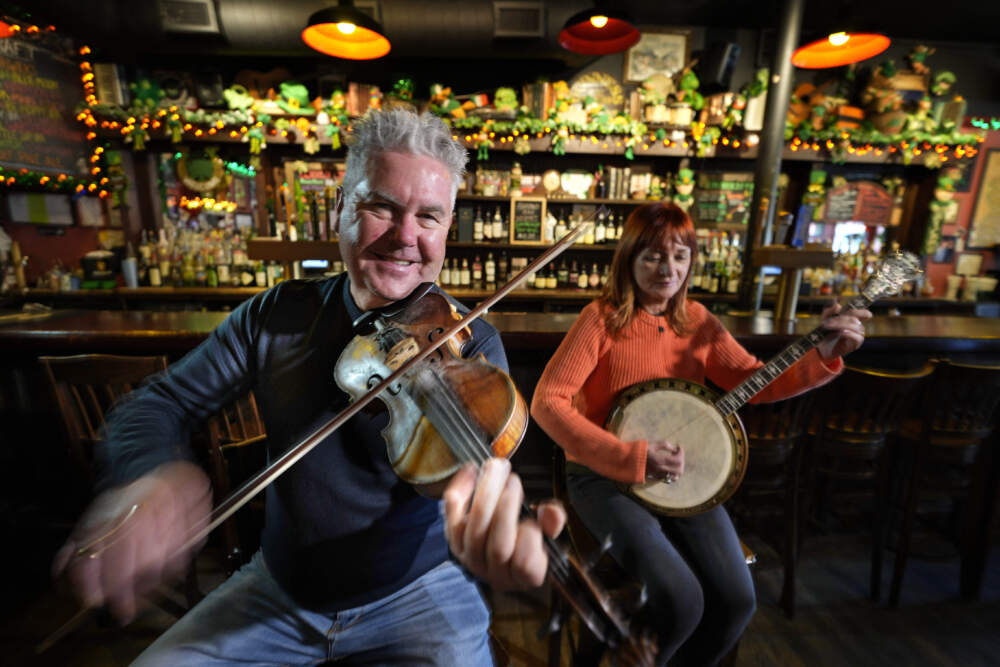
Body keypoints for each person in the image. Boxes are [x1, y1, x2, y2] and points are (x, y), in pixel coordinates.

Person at [53, 108, 564, 666]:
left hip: (418, 591)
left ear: (447, 229)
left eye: (429, 218)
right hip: (279, 588)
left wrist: (485, 521)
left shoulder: (471, 344)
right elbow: (161, 401)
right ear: (341, 208)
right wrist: (150, 473)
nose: (405, 238)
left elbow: (462, 479)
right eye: (381, 208)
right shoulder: (276, 316)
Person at [530, 202, 870, 666]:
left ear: (691, 260)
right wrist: (627, 456)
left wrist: (824, 350)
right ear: (628, 258)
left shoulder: (698, 321)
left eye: (680, 255)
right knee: (681, 598)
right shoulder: (600, 319)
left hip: (679, 476)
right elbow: (547, 402)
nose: (667, 269)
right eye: (651, 256)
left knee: (737, 601)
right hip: (604, 479)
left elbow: (754, 379)